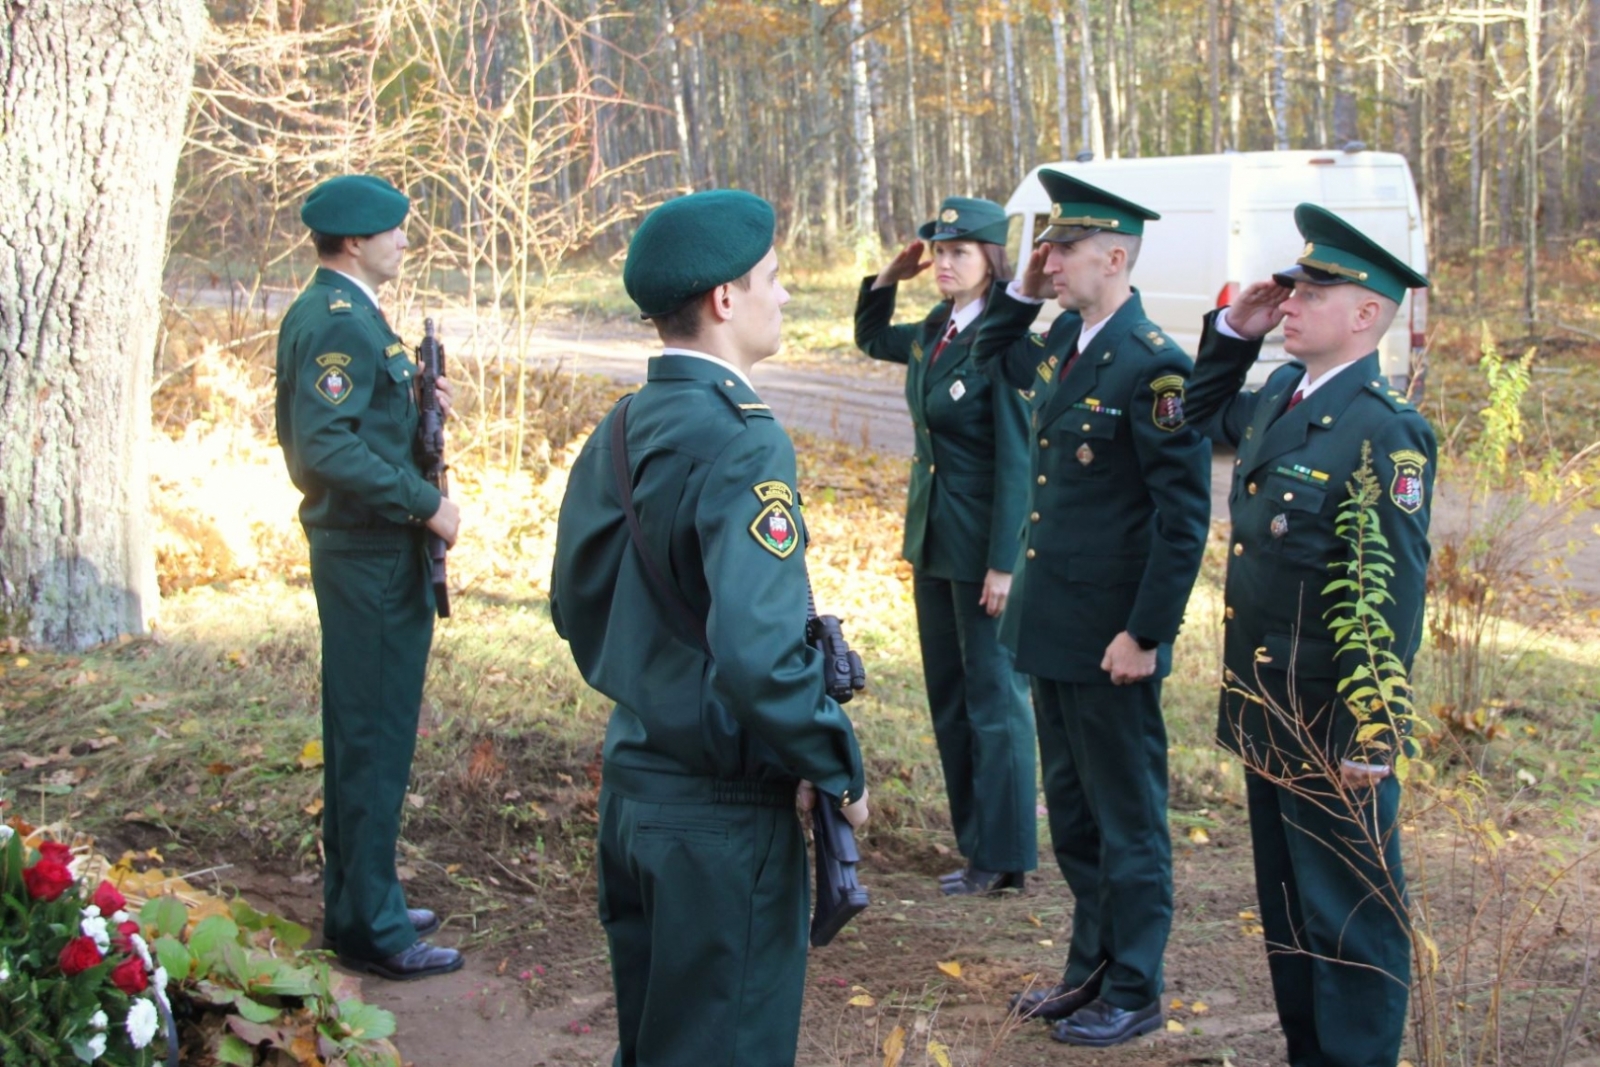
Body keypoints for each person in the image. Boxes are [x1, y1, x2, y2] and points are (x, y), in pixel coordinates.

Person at [550, 189, 870, 1067]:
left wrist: (657, 690)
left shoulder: (619, 426)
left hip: (636, 791)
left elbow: (575, 607)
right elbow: (761, 653)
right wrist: (834, 761)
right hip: (722, 819)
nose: (786, 294)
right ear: (725, 300)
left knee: (657, 1045)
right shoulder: (745, 440)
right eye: (773, 278)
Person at [1184, 203, 1432, 1067]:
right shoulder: (1283, 397)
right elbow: (1189, 415)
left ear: (1364, 314)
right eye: (1287, 288)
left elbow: (1395, 590)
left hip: (1332, 716)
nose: (1287, 302)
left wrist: (1375, 727)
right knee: (1291, 912)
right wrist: (1232, 332)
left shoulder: (1385, 430)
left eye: (1309, 292)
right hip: (1269, 700)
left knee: (1350, 918)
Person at [972, 170, 1211, 1047]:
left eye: (1065, 248)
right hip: (1054, 628)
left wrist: (1146, 631)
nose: (1050, 258)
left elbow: (1181, 521)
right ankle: (1090, 968)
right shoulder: (1068, 338)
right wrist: (1020, 294)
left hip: (1114, 639)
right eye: (1048, 246)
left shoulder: (1155, 366)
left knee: (1128, 818)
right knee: (1074, 816)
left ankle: (1137, 985)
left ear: (1115, 255)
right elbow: (992, 356)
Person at [274, 174, 463, 981]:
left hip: (369, 550)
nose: (402, 241)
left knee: (366, 736)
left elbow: (359, 426)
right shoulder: (338, 319)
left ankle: (361, 898)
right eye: (392, 230)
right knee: (374, 739)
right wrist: (427, 504)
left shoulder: (347, 312)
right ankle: (376, 930)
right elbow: (324, 446)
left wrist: (419, 400)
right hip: (370, 553)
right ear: (353, 241)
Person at [853, 196, 1036, 897]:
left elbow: (1017, 461)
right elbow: (873, 340)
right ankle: (977, 845)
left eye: (960, 251)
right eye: (938, 250)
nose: (944, 262)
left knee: (995, 698)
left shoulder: (1003, 340)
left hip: (983, 549)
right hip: (933, 541)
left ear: (992, 260)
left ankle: (1008, 853)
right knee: (951, 697)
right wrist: (884, 279)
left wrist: (1004, 561)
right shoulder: (938, 325)